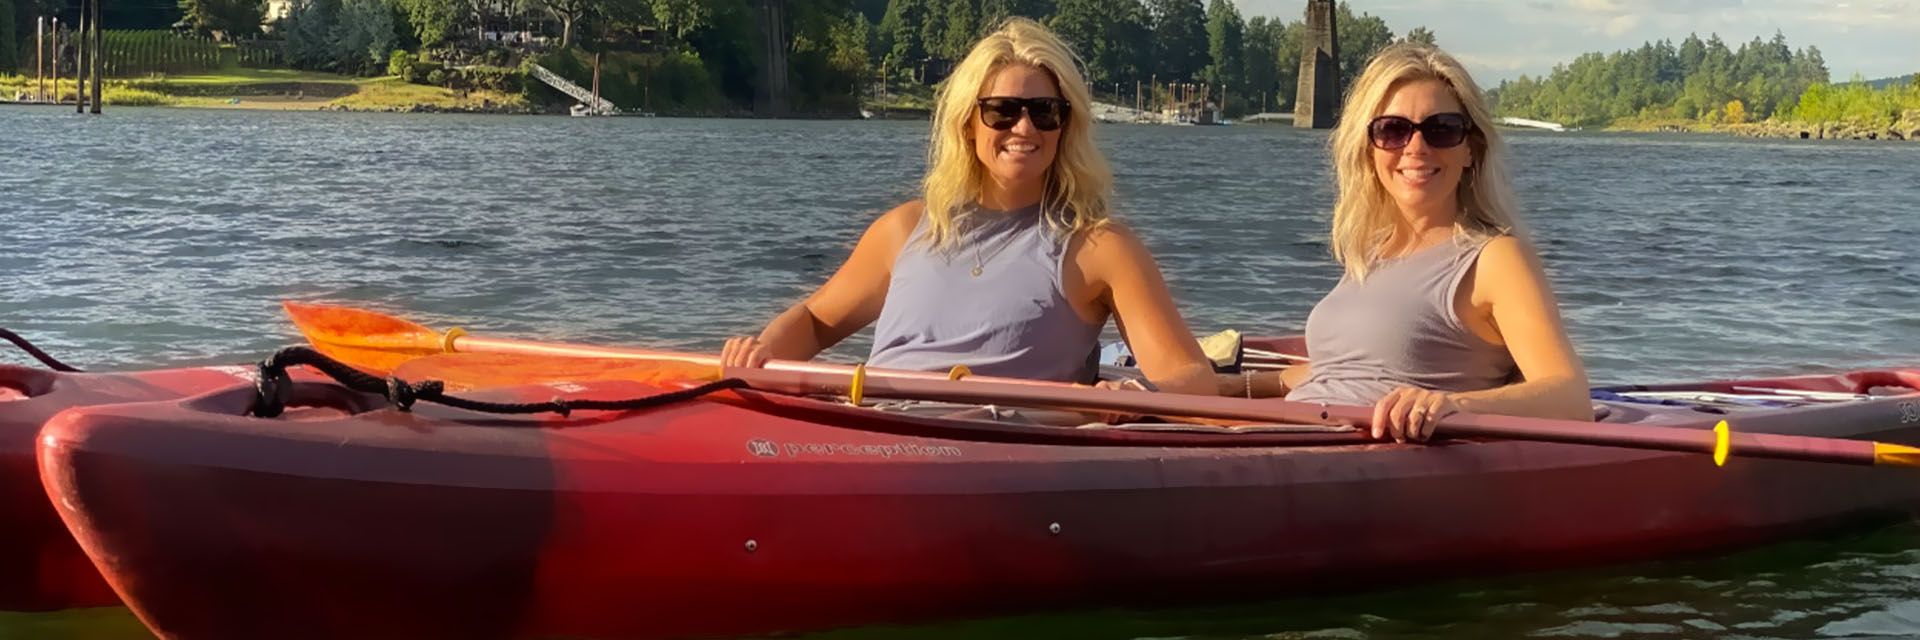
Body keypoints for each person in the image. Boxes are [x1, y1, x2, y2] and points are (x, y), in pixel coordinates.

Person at [719, 18, 1216, 396]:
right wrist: (761, 357)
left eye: (1044, 113)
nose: (1024, 129)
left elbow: (1190, 376)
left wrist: (1132, 396)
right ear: (968, 124)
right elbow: (813, 320)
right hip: (878, 431)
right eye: (1002, 111)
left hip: (996, 448)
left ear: (1066, 127)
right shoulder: (905, 228)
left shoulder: (1101, 248)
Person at [1239, 43, 1591, 440]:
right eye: (1393, 130)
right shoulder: (1371, 253)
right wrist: (1233, 385)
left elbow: (1570, 398)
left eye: (1441, 129)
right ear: (1368, 148)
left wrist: (1453, 404)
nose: (1416, 148)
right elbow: (1344, 367)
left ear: (1471, 149)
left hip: (1357, 460)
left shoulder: (1494, 259)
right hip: (1294, 436)